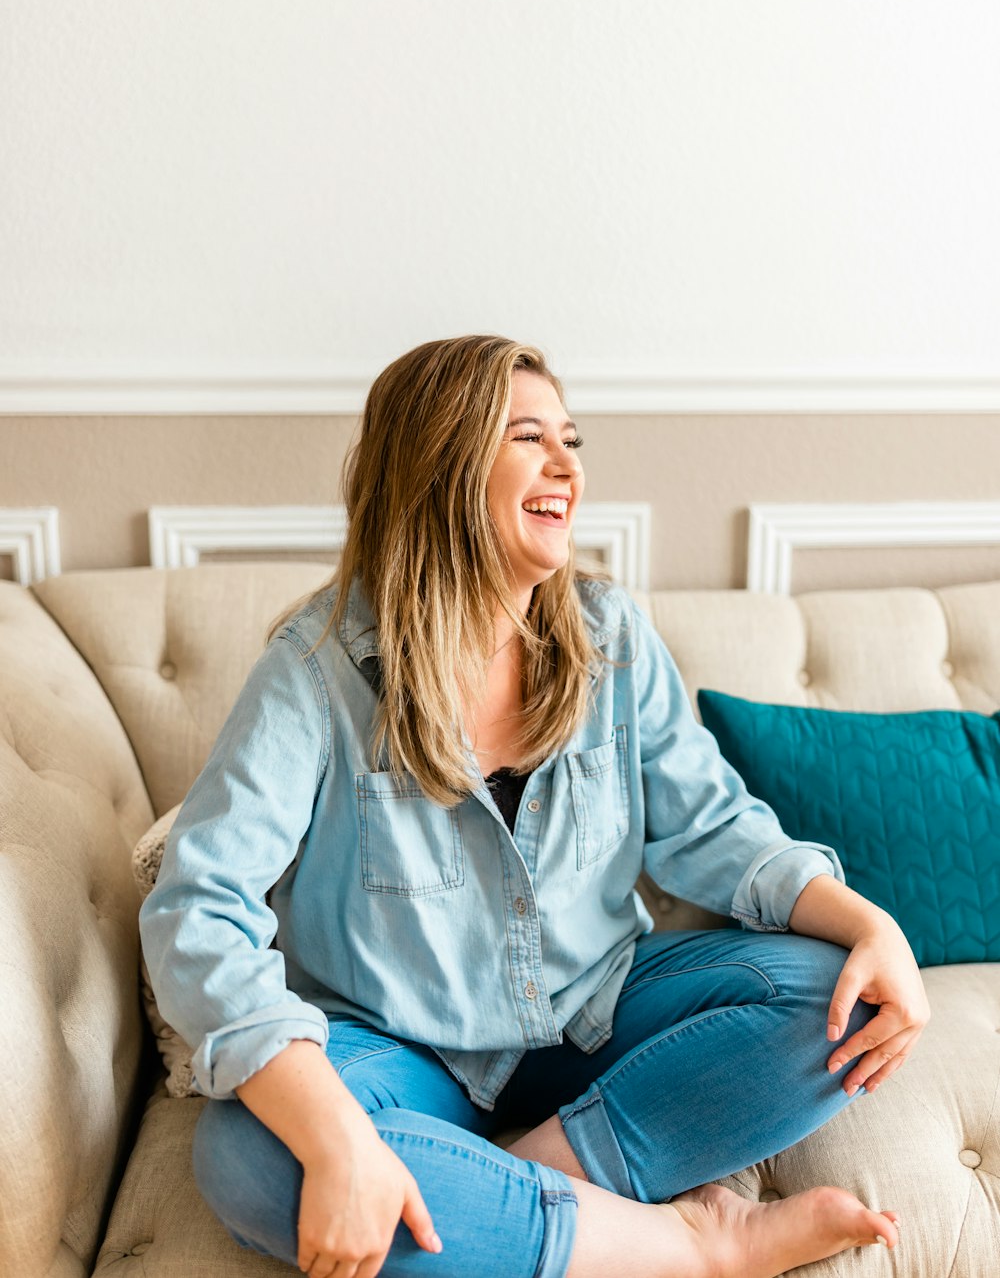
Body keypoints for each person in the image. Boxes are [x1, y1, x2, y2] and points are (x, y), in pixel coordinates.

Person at [140, 335, 929, 1278]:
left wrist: (875, 927)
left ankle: (525, 1185)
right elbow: (198, 907)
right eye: (529, 438)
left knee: (830, 992)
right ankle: (689, 1247)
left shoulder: (609, 635)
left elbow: (713, 828)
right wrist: (339, 1138)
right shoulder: (313, 673)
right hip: (397, 1051)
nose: (569, 467)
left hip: (594, 1014)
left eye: (571, 439)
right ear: (441, 464)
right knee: (254, 1159)